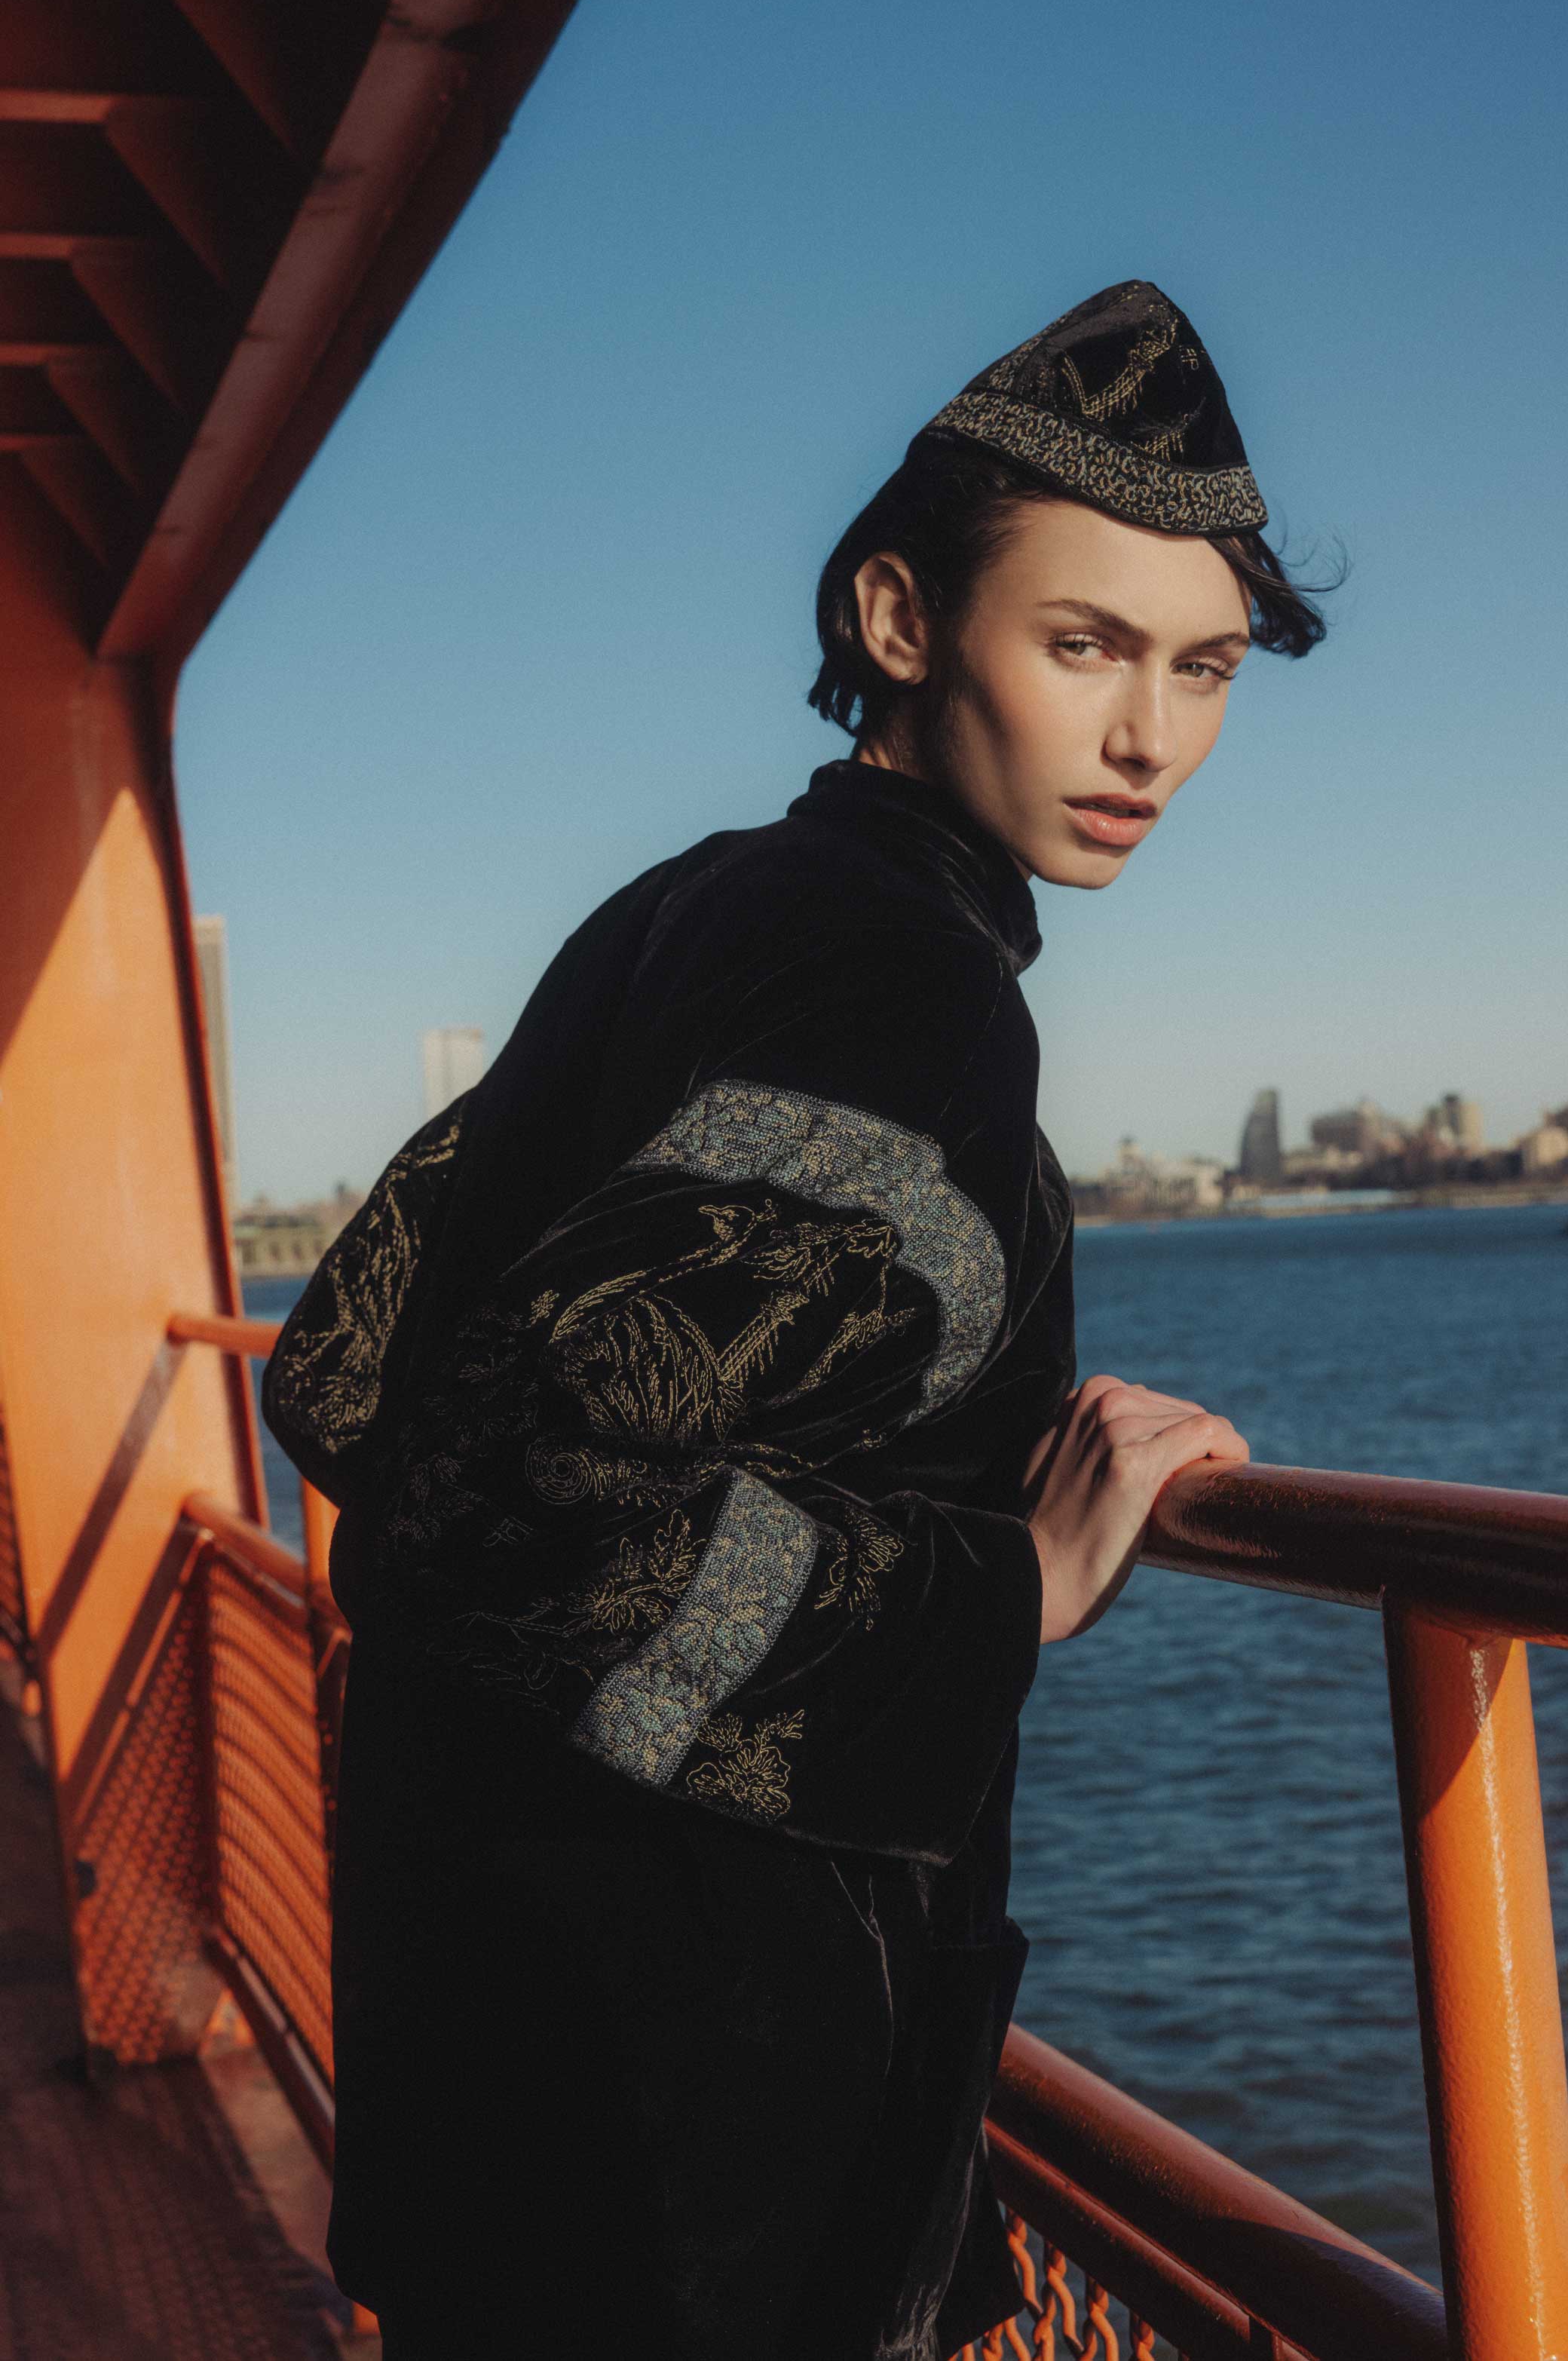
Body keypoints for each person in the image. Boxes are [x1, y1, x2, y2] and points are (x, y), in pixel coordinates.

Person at [264, 280, 1327, 2360]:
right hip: (688, 2146)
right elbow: (511, 1482)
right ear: (901, 619)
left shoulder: (687, 907)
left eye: (1203, 669)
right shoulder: (903, 988)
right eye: (1086, 645)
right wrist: (1003, 1587)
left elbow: (343, 1363)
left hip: (482, 2041)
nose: (1153, 740)